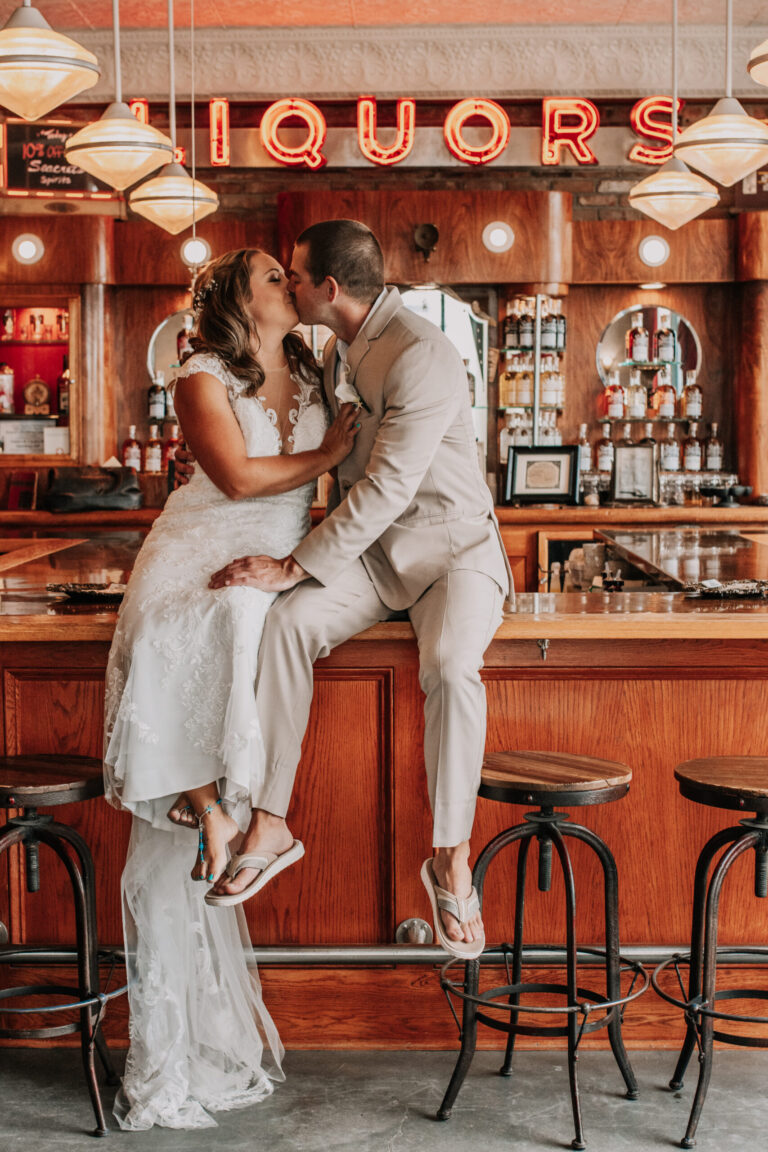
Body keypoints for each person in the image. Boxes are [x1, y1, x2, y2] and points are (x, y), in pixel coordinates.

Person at [178, 220, 512, 961]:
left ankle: (451, 857)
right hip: (374, 558)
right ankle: (271, 821)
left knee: (451, 665)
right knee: (288, 626)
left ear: (328, 288)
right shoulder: (332, 348)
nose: (287, 284)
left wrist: (293, 565)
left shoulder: (422, 352)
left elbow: (388, 485)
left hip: (452, 553)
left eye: (293, 276)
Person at [102, 246, 359, 1129]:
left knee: (249, 617)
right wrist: (328, 451)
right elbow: (237, 477)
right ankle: (208, 801)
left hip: (274, 550)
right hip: (195, 544)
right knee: (181, 629)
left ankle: (210, 802)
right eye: (273, 277)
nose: (291, 283)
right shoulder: (200, 374)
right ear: (237, 300)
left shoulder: (316, 365)